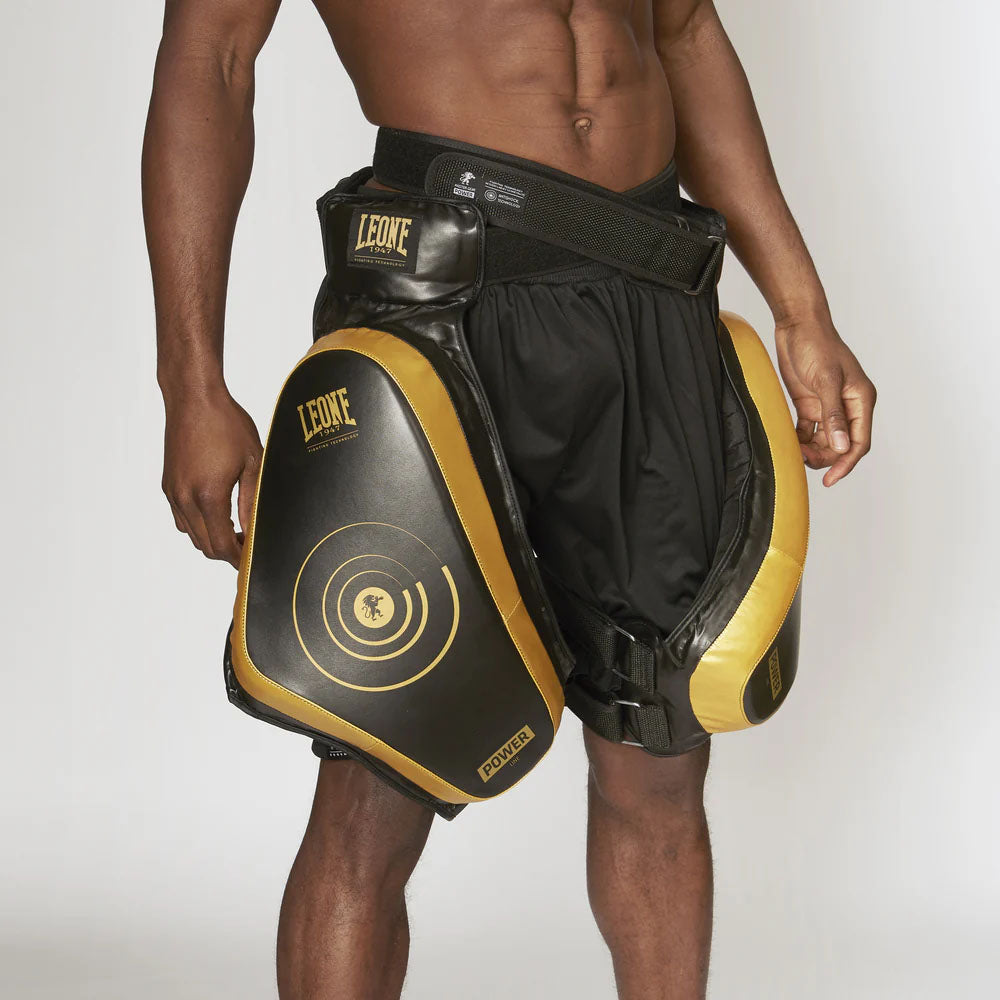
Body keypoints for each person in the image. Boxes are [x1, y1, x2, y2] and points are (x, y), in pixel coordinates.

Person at [142, 2, 876, 997]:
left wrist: (801, 308)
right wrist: (190, 382)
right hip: (440, 312)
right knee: (378, 777)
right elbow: (211, 58)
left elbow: (686, 30)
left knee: (660, 754)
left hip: (650, 300)